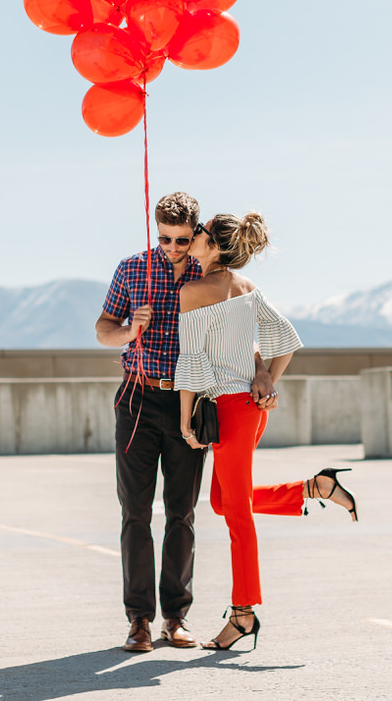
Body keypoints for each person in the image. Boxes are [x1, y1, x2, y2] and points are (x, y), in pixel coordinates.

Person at [95, 192, 276, 653]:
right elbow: (103, 329)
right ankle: (139, 619)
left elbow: (240, 337)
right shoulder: (131, 269)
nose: (174, 248)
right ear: (156, 232)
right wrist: (129, 330)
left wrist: (260, 370)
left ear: (196, 233)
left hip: (191, 403)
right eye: (165, 239)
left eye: (181, 239)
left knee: (183, 512)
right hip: (137, 398)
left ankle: (175, 618)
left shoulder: (211, 272)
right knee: (135, 512)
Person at [175, 211, 358, 651]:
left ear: (213, 244)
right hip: (249, 411)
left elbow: (192, 360)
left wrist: (184, 419)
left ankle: (243, 614)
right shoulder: (246, 288)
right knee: (223, 502)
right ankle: (315, 488)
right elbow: (286, 339)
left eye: (199, 232)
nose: (193, 236)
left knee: (237, 514)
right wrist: (268, 379)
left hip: (231, 410)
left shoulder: (193, 291)